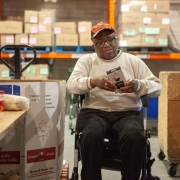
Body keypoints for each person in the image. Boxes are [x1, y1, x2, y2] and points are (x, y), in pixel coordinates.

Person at [66, 22, 162, 180]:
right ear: (93, 45)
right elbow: (71, 85)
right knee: (90, 135)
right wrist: (92, 82)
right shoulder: (86, 61)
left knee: (134, 136)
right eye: (100, 42)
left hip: (127, 113)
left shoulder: (133, 61)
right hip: (94, 113)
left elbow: (157, 87)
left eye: (110, 39)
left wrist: (139, 85)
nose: (106, 44)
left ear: (117, 40)